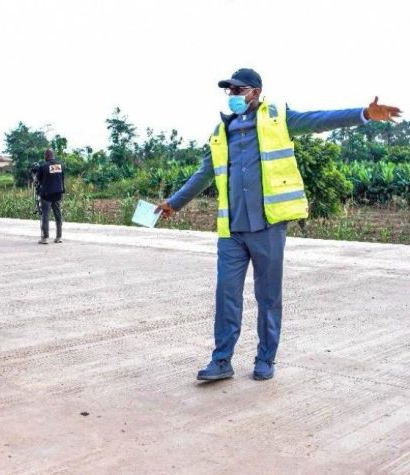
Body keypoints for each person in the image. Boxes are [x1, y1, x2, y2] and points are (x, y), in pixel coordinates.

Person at [157, 68, 401, 382]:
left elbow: (320, 119)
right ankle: (221, 361)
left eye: (238, 90)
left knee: (268, 296)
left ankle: (265, 358)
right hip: (231, 231)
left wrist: (364, 114)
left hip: (268, 226)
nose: (232, 96)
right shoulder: (222, 131)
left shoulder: (278, 118)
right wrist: (173, 203)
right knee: (226, 295)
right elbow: (203, 173)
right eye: (229, 92)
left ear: (255, 92)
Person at [36, 148, 65, 244]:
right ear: (53, 155)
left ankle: (45, 238)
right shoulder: (60, 165)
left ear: (46, 156)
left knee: (45, 216)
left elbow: (38, 180)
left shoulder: (43, 166)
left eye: (45, 155)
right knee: (58, 216)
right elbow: (62, 178)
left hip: (46, 195)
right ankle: (59, 237)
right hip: (57, 193)